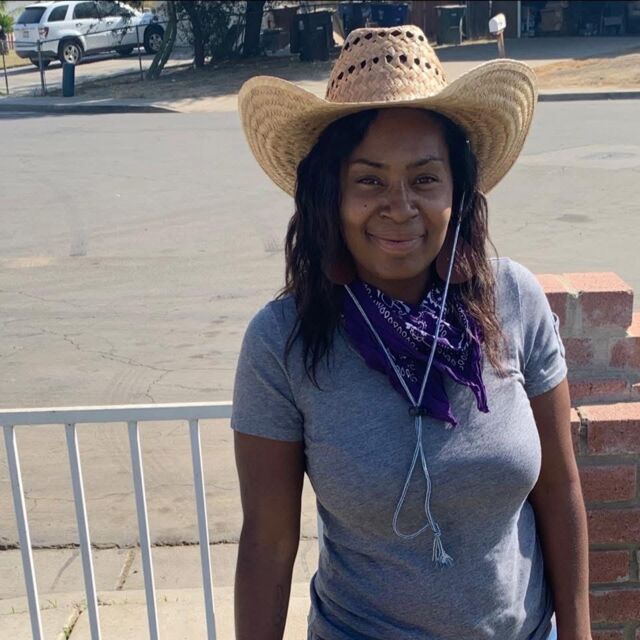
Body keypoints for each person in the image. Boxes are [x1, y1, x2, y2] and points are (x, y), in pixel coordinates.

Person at [231, 25, 591, 640]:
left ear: (458, 190)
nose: (399, 208)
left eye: (424, 178)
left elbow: (559, 491)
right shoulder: (281, 340)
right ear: (329, 194)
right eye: (369, 180)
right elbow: (268, 540)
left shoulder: (515, 300)